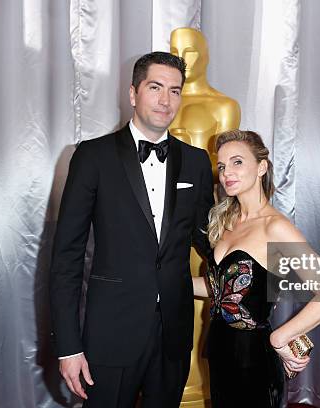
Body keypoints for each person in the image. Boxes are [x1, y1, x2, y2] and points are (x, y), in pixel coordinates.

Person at [49, 52, 214, 408]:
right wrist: (68, 346)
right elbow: (67, 256)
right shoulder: (93, 156)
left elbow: (210, 241)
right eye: (155, 87)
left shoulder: (197, 161)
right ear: (133, 93)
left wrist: (258, 244)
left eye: (174, 90)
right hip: (111, 331)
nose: (165, 100)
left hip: (173, 332)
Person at [192, 130, 320, 408]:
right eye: (223, 165)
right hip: (219, 353)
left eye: (238, 162)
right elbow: (220, 290)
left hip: (254, 361)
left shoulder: (275, 227)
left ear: (261, 167)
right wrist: (164, 280)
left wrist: (280, 337)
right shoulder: (228, 221)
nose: (227, 172)